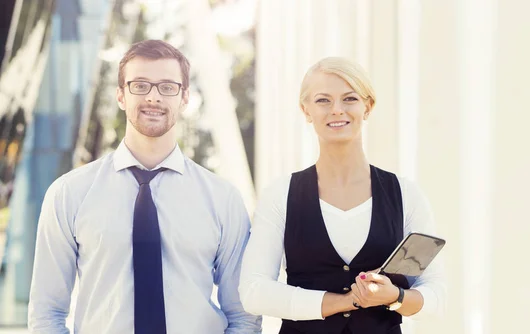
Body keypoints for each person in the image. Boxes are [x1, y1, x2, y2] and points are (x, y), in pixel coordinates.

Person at [28, 40, 261, 334]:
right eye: (140, 85)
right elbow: (46, 312)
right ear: (121, 96)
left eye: (167, 87)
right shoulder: (69, 194)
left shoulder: (222, 198)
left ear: (184, 96)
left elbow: (243, 315)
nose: (153, 97)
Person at [239, 57, 445, 334]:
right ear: (306, 109)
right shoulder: (281, 195)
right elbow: (254, 291)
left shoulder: (405, 194)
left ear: (367, 106)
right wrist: (342, 301)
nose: (337, 110)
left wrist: (395, 297)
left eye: (349, 99)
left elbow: (436, 295)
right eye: (323, 100)